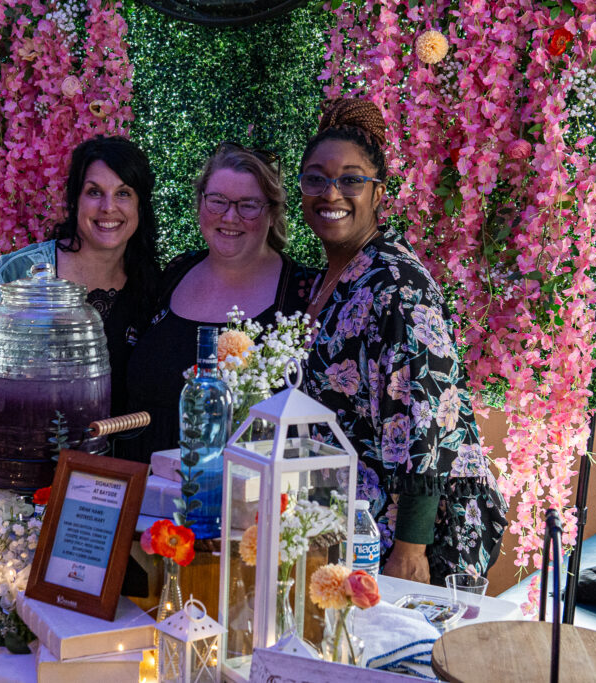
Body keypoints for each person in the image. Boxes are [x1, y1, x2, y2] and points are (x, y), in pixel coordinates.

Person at [299, 98, 507, 584]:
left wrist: (411, 548)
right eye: (316, 178)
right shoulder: (334, 275)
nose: (332, 193)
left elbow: (425, 416)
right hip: (358, 523)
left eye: (351, 179)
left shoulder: (397, 284)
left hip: (414, 535)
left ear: (379, 193)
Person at [0, 135, 161, 483]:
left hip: (100, 489)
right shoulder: (19, 274)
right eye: (94, 192)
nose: (108, 208)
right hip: (7, 483)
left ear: (140, 205)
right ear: (75, 200)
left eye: (123, 193)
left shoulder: (152, 289)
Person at [123, 142, 317, 463]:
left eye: (249, 205)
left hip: (238, 497)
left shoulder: (303, 293)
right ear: (201, 203)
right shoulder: (175, 272)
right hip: (142, 486)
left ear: (272, 212)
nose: (230, 217)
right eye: (217, 201)